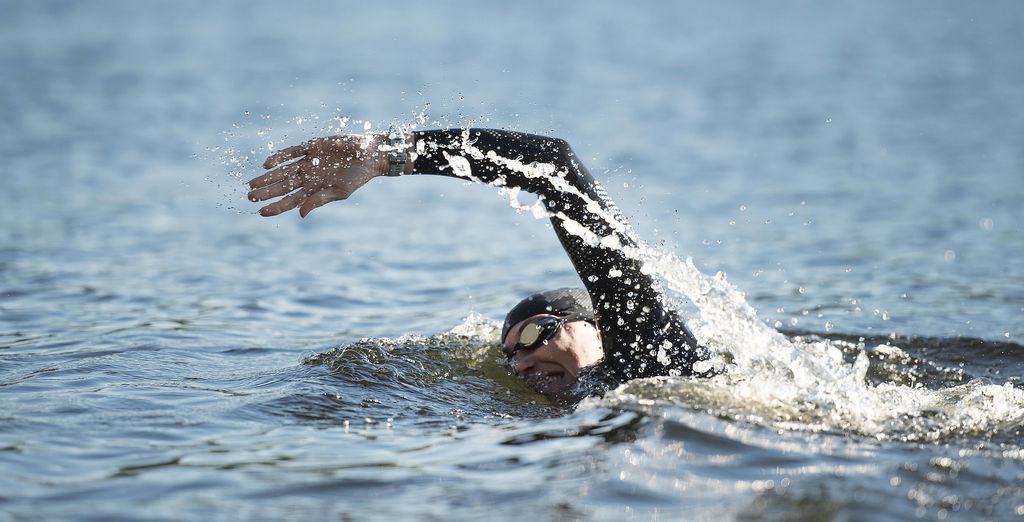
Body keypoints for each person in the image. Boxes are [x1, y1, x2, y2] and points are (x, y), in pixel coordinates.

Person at [247, 127, 713, 403]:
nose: (524, 358)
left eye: (538, 332)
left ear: (597, 328)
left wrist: (389, 156)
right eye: (511, 352)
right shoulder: (573, 405)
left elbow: (556, 167)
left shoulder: (652, 355)